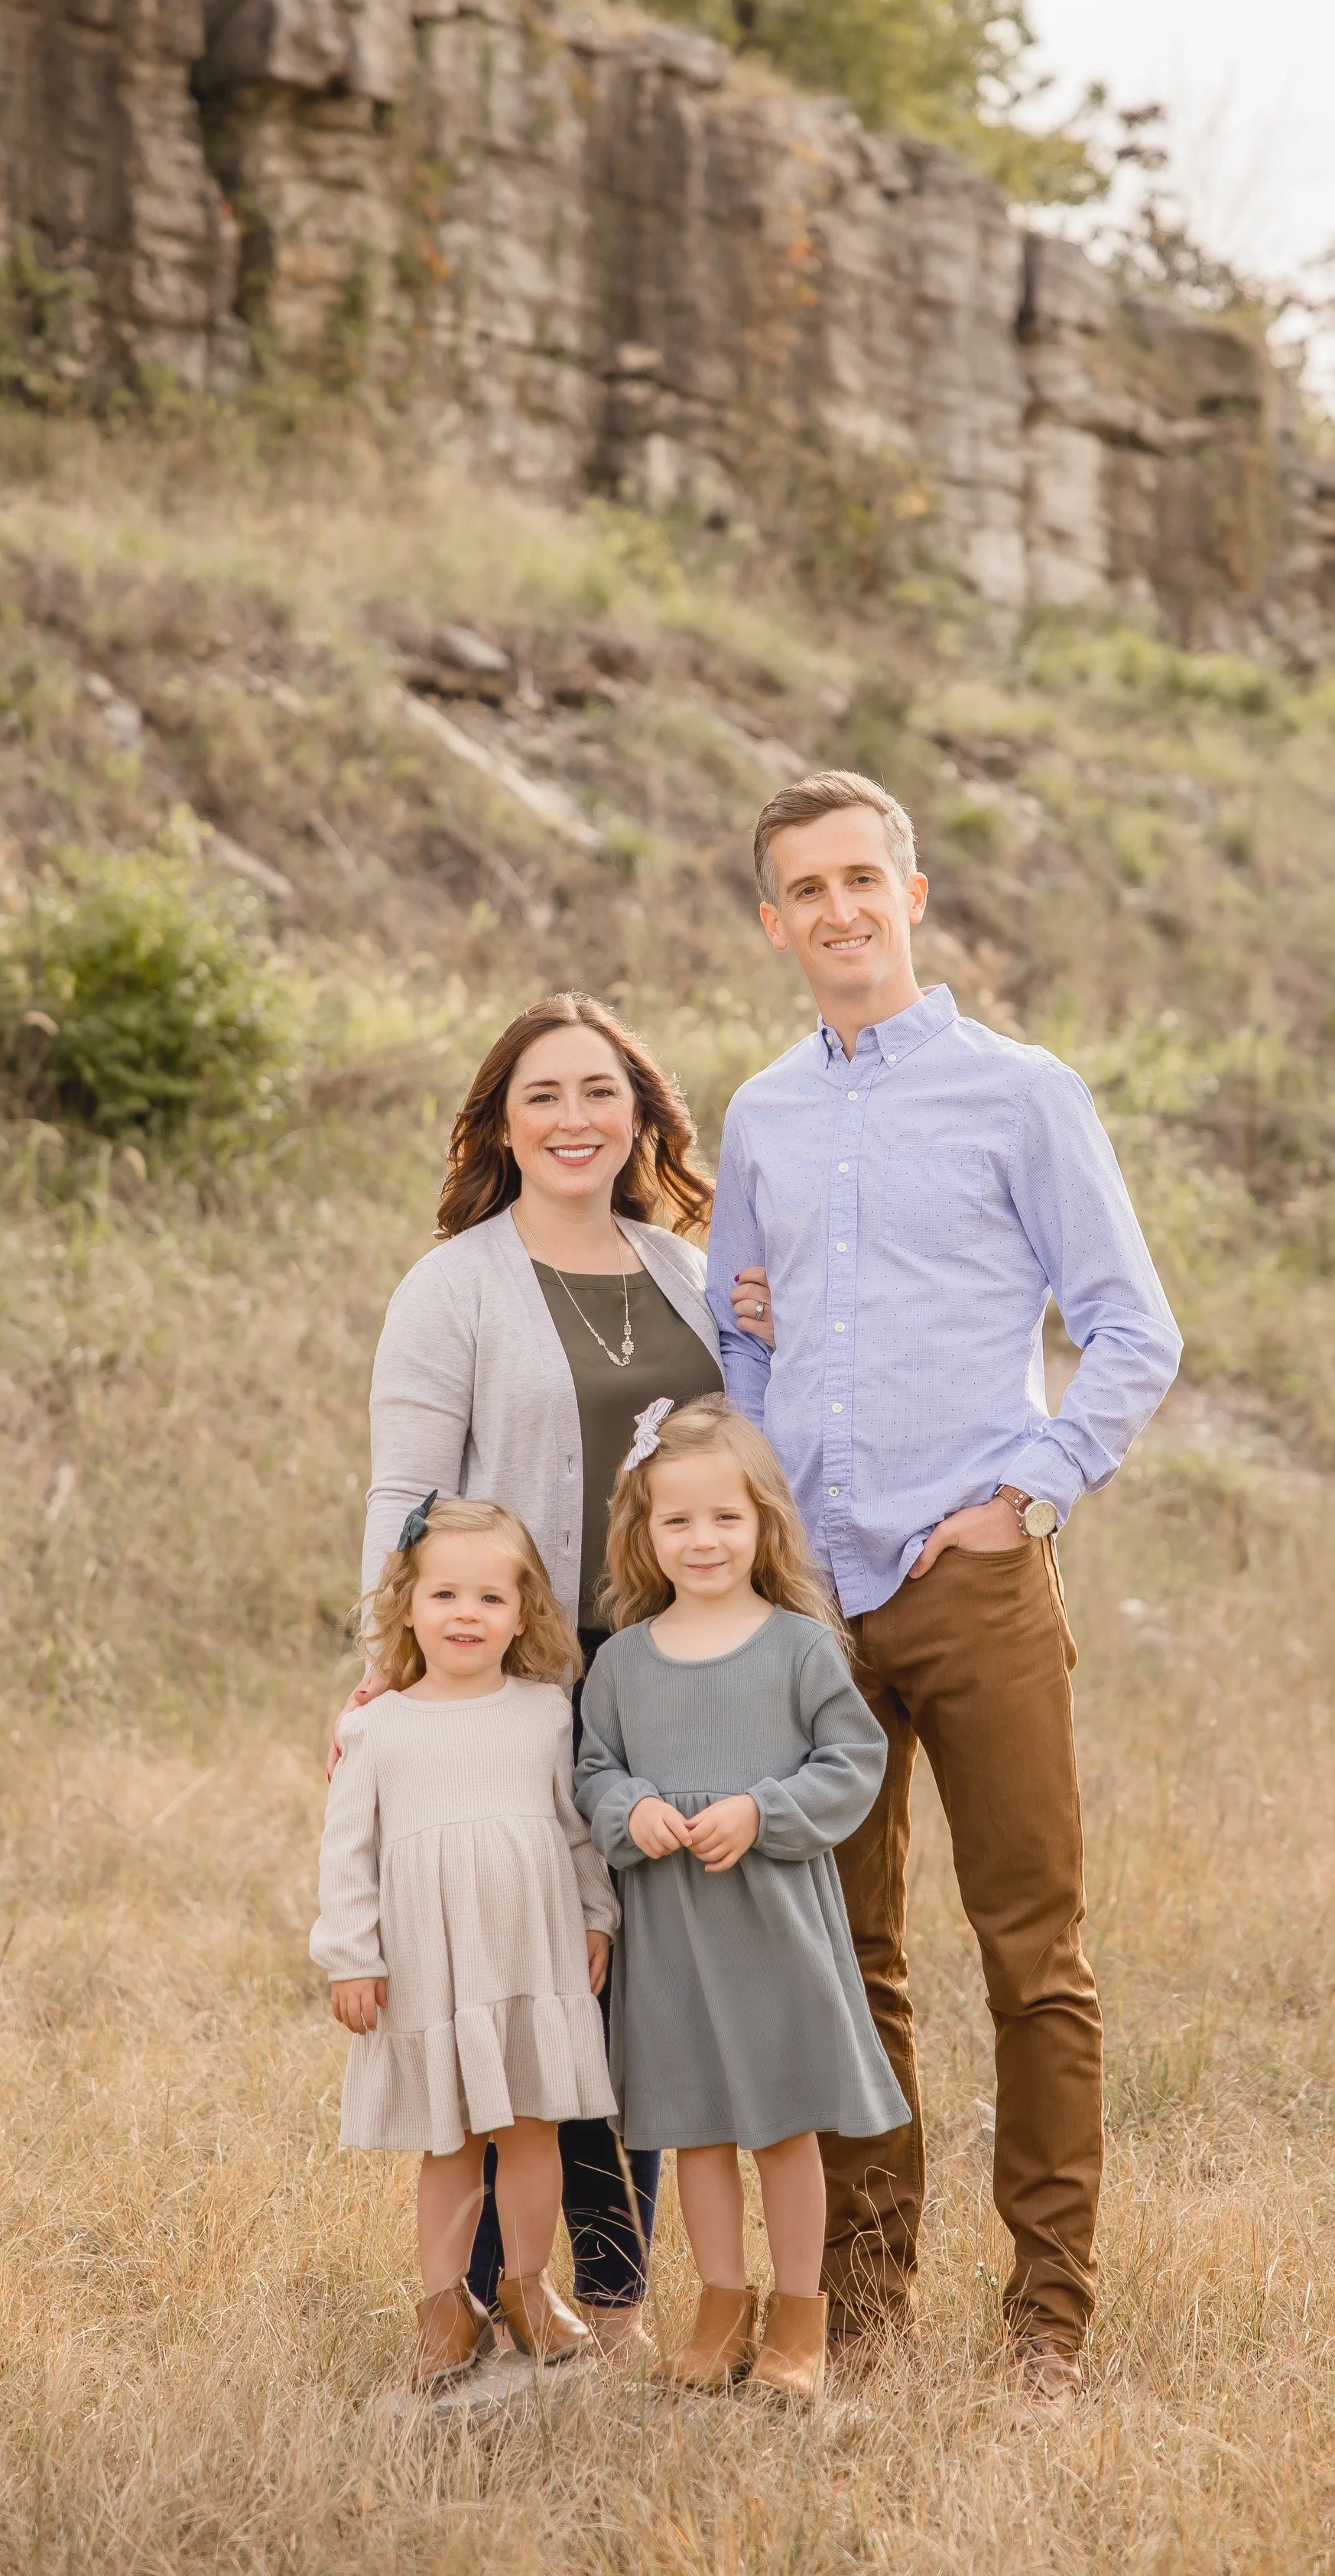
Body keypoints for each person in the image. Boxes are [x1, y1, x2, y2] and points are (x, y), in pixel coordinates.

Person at [706, 770, 1182, 2405]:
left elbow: (1132, 1328)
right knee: (844, 1958)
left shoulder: (1018, 1093)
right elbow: (737, 1349)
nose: (836, 910)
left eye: (860, 878)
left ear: (910, 895)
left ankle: (1046, 2322)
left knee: (1030, 1954)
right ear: (772, 924)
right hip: (814, 1603)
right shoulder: (759, 1115)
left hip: (969, 1582)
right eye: (803, 889)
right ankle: (861, 2300)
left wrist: (1023, 1497)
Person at [341, 992, 765, 2351]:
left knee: (634, 1995)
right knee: (526, 1992)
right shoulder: (453, 1284)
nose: (575, 1119)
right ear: (503, 1122)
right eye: (544, 1095)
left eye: (600, 1092)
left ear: (640, 1113)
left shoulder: (687, 1271)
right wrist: (381, 1668)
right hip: (517, 1688)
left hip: (676, 1681)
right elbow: (404, 1494)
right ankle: (483, 2295)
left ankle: (617, 2293)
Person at [574, 1397, 907, 2405]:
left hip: (772, 1928)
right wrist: (628, 1809)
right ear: (643, 1533)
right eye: (677, 1520)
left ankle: (798, 2319)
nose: (703, 1539)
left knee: (781, 2128)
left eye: (725, 1517)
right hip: (673, 1935)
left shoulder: (798, 1645)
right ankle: (722, 2305)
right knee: (699, 2128)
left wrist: (763, 1811)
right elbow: (592, 1771)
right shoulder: (623, 1661)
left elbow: (855, 1760)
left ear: (764, 1520)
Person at [313, 1494, 620, 2389]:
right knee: (448, 2145)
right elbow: (348, 1854)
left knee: (533, 2133)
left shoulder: (541, 1714)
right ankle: (446, 2305)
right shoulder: (377, 1727)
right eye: (445, 1595)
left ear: (524, 1612)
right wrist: (352, 1956)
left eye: (491, 1598)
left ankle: (528, 2288)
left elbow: (573, 1834)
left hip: (530, 1958)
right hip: (429, 1968)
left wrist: (596, 1917)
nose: (466, 1615)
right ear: (406, 1605)